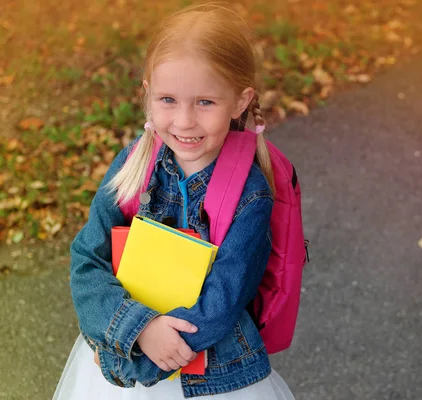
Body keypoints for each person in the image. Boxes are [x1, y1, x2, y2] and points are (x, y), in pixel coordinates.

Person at [53, 3, 295, 399]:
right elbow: (87, 259)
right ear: (147, 96)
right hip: (129, 340)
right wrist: (136, 331)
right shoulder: (134, 165)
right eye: (168, 99)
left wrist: (130, 356)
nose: (184, 121)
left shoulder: (249, 194)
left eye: (205, 102)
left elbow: (223, 300)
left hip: (210, 375)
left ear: (239, 101)